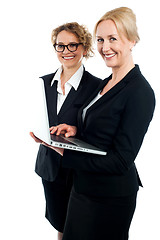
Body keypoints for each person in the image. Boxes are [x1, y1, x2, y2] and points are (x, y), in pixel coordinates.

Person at [49, 7, 156, 240]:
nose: (105, 47)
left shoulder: (140, 92)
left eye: (112, 39)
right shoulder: (107, 82)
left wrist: (65, 153)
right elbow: (102, 127)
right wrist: (75, 130)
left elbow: (120, 161)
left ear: (132, 41)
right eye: (100, 40)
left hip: (109, 198)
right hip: (84, 187)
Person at [30, 22, 102, 240]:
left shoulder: (97, 86)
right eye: (60, 46)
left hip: (81, 170)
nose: (66, 51)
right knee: (60, 224)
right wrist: (36, 131)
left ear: (84, 48)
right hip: (50, 168)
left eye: (73, 45)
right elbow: (36, 117)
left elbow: (99, 129)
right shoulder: (42, 83)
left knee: (82, 227)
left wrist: (76, 130)